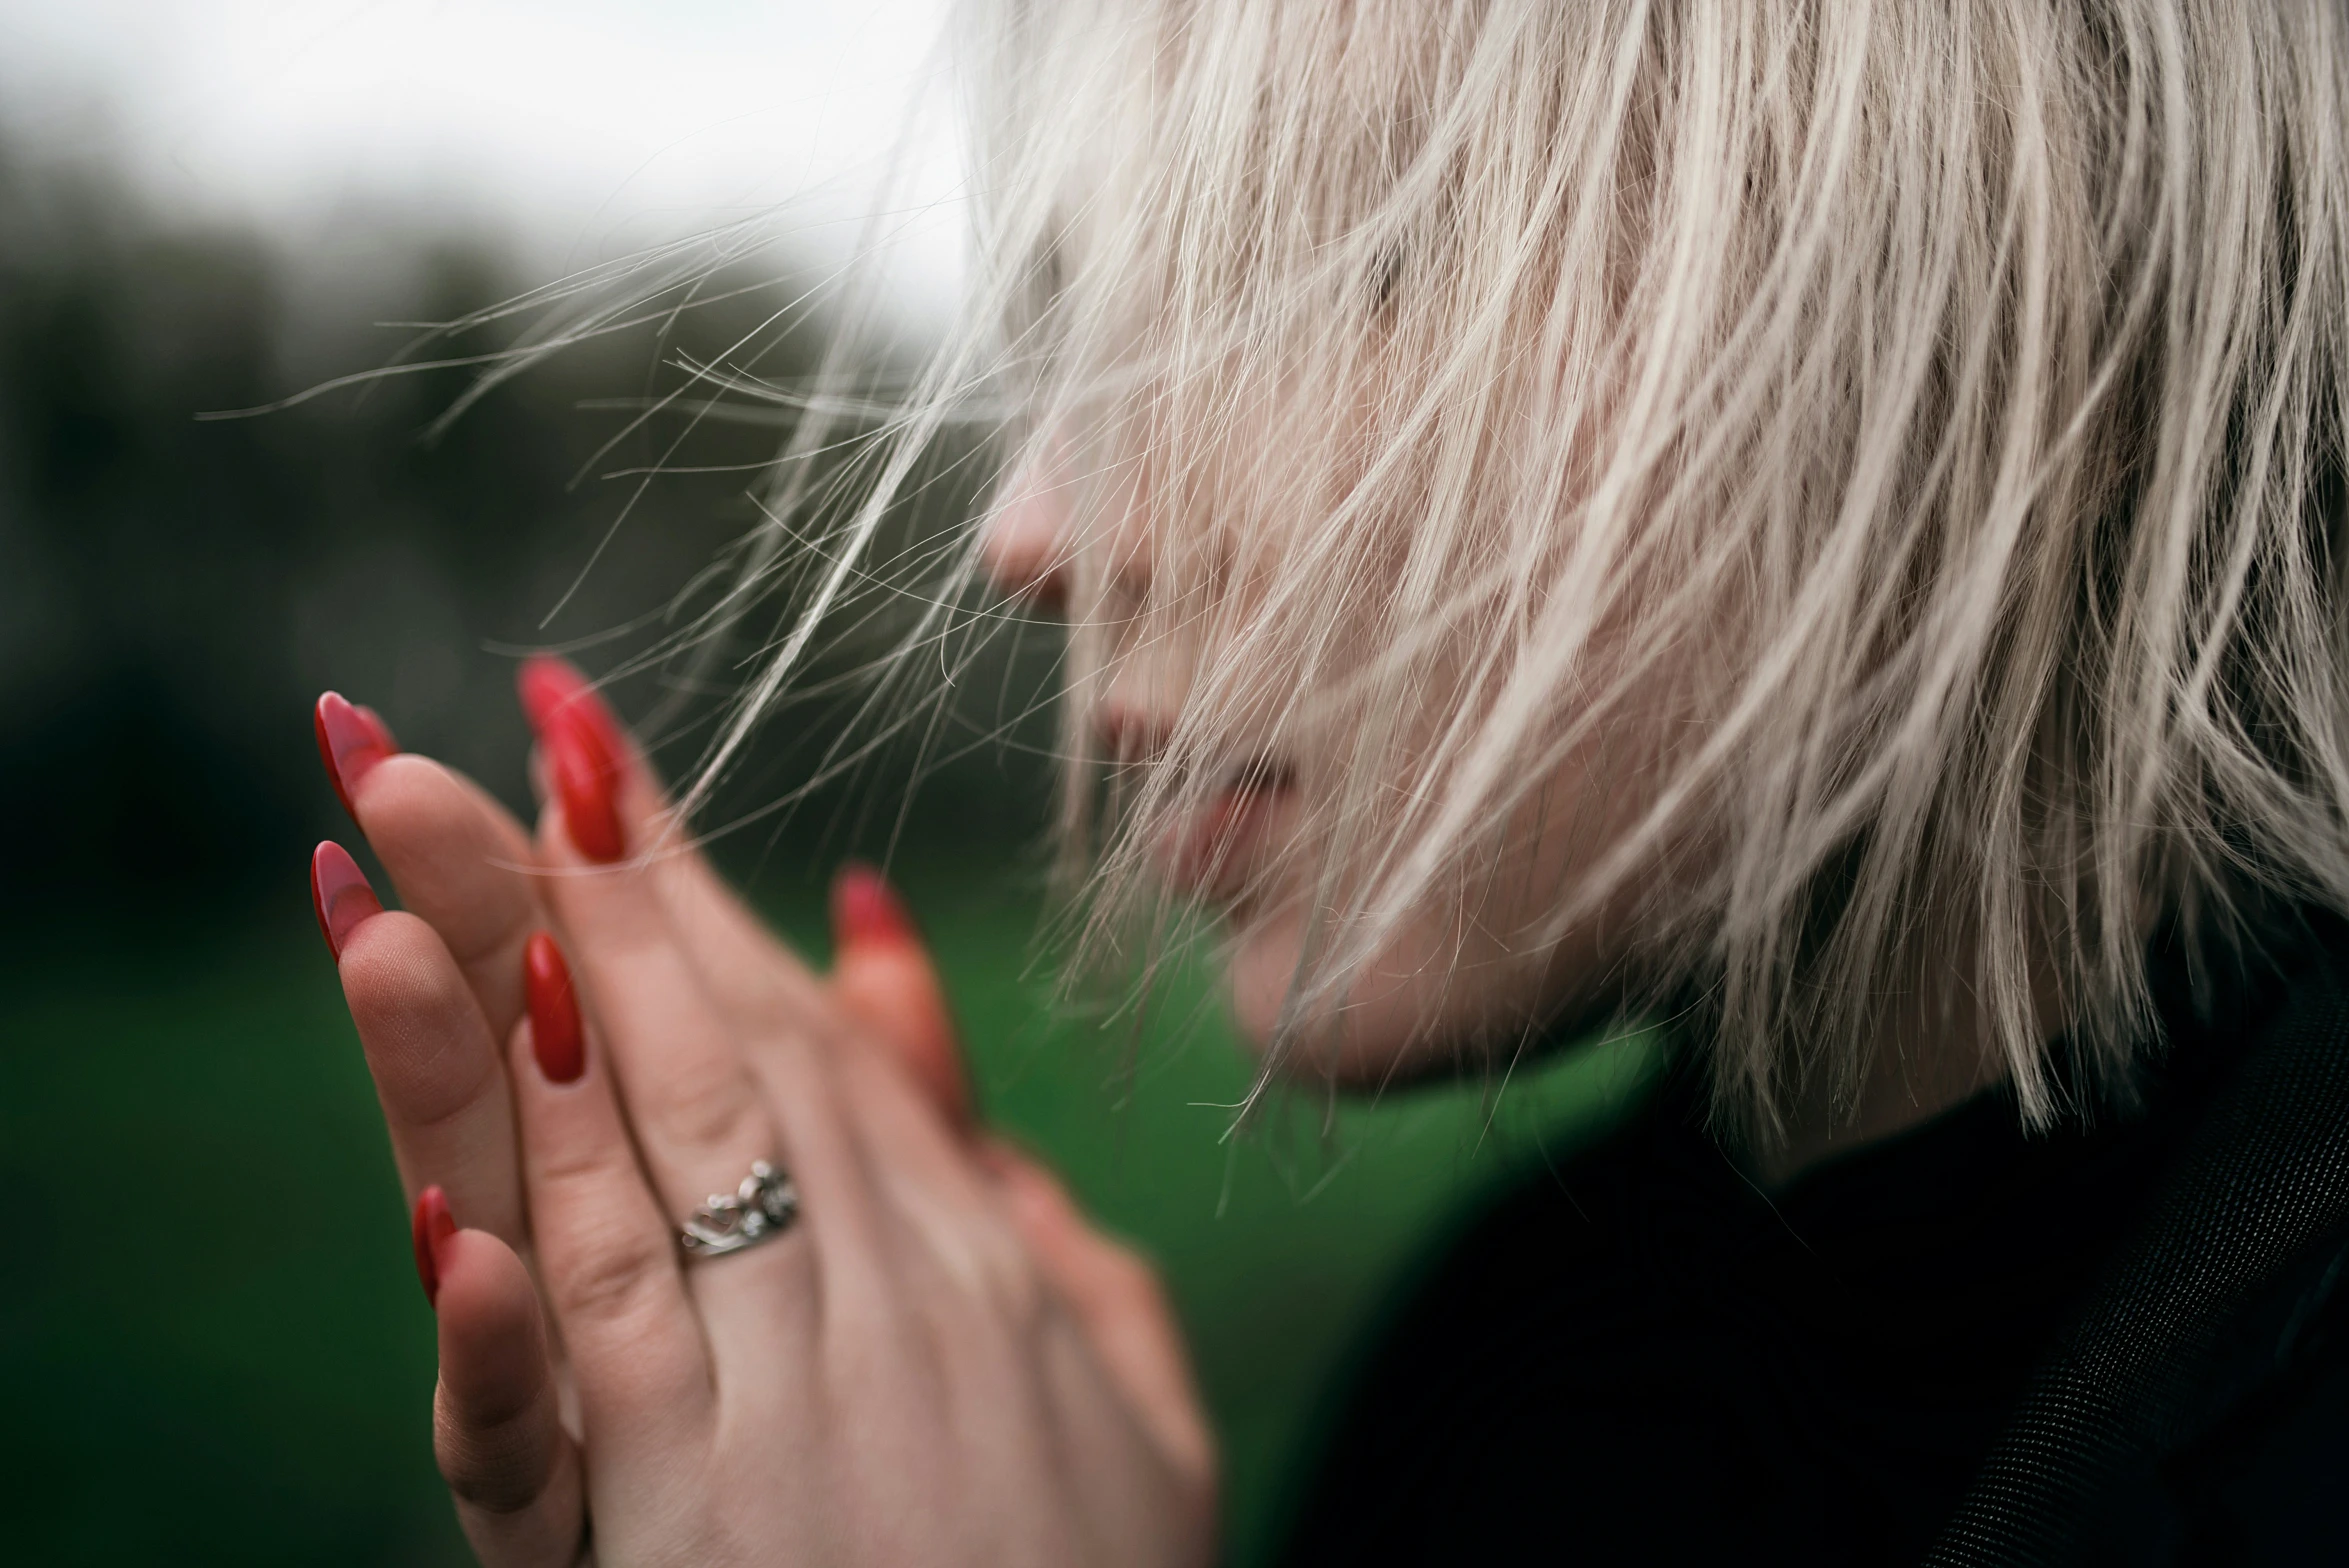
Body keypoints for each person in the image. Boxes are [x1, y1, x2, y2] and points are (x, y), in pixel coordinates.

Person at [308, 2, 2349, 1562]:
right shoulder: (1506, 1382)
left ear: (2021, 227)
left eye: (1315, 260)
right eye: (1070, 334)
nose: (1034, 530)